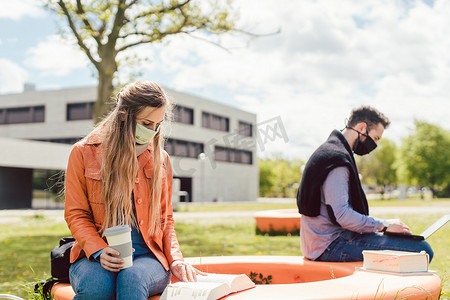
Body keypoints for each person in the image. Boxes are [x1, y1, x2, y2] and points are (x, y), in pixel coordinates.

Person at [65, 80, 201, 300]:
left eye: (157, 125)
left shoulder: (161, 159)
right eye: (146, 123)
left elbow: (165, 219)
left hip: (149, 258)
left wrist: (175, 258)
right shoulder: (83, 152)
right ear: (124, 115)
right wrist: (99, 250)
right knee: (97, 286)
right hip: (92, 256)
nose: (152, 132)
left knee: (133, 278)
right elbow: (76, 214)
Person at [296, 106, 433, 262]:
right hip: (330, 246)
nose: (374, 145)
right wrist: (385, 225)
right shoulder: (337, 160)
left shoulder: (331, 150)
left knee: (408, 244)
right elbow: (342, 215)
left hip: (325, 241)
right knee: (422, 250)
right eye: (375, 138)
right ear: (362, 127)